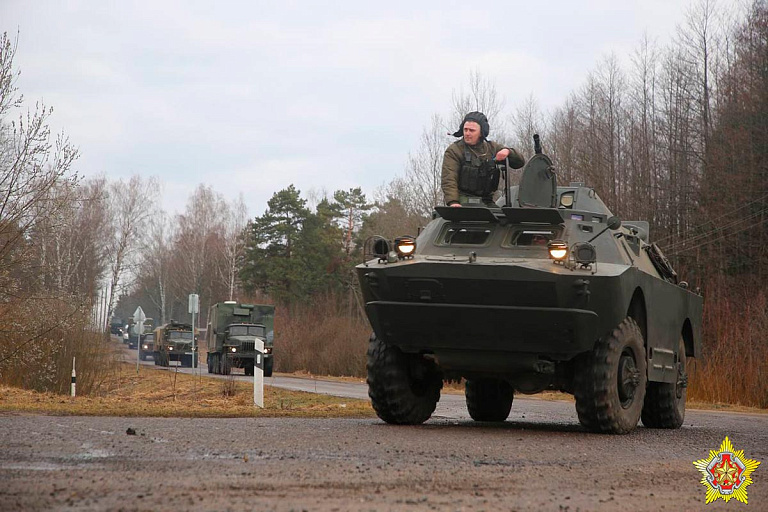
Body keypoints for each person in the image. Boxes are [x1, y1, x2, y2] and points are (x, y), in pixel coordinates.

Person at [441, 111, 525, 207]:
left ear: (481, 132)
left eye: (472, 130)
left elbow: (520, 162)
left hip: (487, 202)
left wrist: (508, 152)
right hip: (463, 201)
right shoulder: (455, 150)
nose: (467, 133)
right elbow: (449, 178)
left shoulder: (491, 148)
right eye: (465, 130)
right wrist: (453, 202)